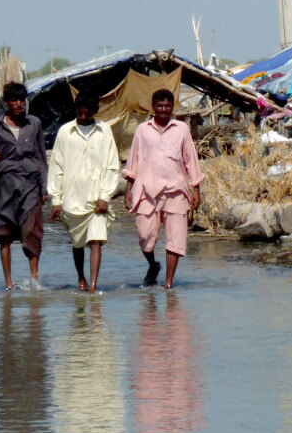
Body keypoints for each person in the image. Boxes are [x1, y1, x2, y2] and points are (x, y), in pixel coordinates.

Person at [122, 89, 204, 289]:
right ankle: (152, 265)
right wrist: (128, 189)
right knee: (145, 235)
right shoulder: (143, 130)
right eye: (160, 106)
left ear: (172, 107)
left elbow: (191, 160)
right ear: (153, 107)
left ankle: (168, 284)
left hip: (176, 191)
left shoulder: (181, 129)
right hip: (146, 191)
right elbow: (133, 159)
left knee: (175, 240)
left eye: (167, 106)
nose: (164, 109)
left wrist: (196, 189)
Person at [47, 91, 121, 293]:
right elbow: (57, 167)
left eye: (88, 110)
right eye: (80, 110)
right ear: (76, 109)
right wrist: (56, 199)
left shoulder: (104, 131)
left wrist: (105, 196)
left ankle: (93, 286)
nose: (84, 114)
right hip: (72, 197)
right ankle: (81, 278)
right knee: (77, 242)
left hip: (96, 197)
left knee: (95, 240)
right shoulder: (65, 132)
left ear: (95, 111)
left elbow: (112, 166)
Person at [0, 82, 48, 290]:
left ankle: (34, 281)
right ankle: (9, 285)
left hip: (30, 187)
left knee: (31, 234)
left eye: (22, 100)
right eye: (15, 101)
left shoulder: (34, 124)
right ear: (6, 103)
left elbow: (41, 157)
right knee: (4, 236)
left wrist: (44, 189)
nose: (20, 104)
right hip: (4, 189)